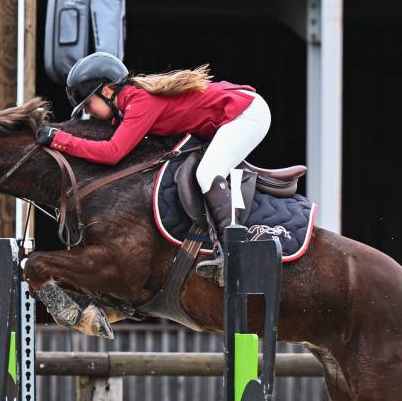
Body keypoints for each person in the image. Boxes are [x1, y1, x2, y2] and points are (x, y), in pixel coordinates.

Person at [35, 52, 271, 283]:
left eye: (88, 105)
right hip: (229, 118)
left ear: (106, 90)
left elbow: (112, 153)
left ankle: (232, 251)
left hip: (246, 114)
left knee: (207, 172)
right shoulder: (128, 106)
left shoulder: (140, 101)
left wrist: (60, 139)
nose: (88, 113)